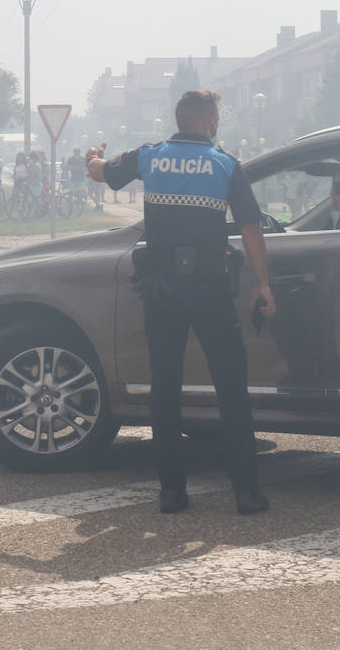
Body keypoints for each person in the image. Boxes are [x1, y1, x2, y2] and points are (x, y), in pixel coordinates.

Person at [87, 90, 277, 515]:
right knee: (231, 388)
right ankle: (246, 492)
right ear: (209, 122)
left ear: (179, 119)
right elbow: (251, 228)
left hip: (162, 288)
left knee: (165, 388)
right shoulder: (225, 164)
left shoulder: (151, 156)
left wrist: (93, 156)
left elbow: (100, 172)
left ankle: (172, 493)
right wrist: (262, 284)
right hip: (210, 288)